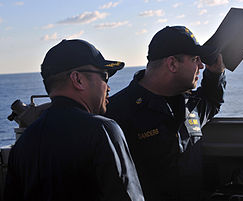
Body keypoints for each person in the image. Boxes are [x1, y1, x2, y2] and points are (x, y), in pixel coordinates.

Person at [4, 39, 144, 201]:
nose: (108, 87)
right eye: (104, 77)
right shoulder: (102, 130)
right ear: (78, 79)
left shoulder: (23, 145)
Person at [105, 26, 226, 201]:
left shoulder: (191, 105)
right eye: (195, 59)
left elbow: (212, 101)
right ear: (172, 64)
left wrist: (216, 73)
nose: (201, 65)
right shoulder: (116, 114)